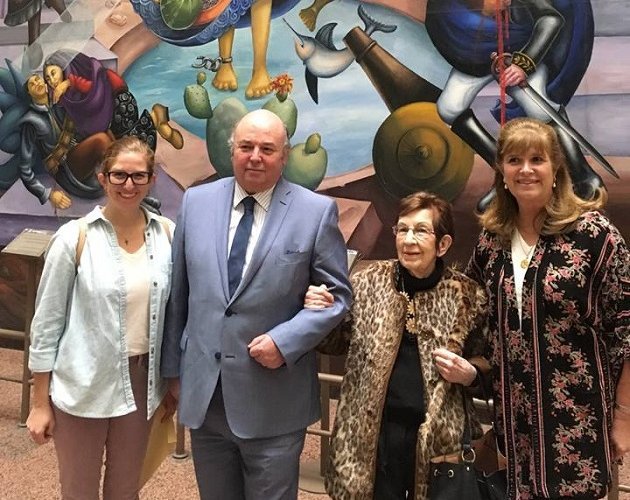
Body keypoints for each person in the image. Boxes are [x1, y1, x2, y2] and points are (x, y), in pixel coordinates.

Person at [161, 109, 352, 500]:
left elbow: (337, 296)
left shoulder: (315, 213)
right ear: (232, 151)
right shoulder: (196, 202)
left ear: (284, 156)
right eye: (246, 146)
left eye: (267, 149)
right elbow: (178, 295)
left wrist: (285, 341)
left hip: (273, 399)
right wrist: (172, 371)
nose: (255, 157)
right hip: (206, 395)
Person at [465, 117, 630, 499]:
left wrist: (623, 416)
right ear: (501, 172)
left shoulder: (595, 236)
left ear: (556, 169)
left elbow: (627, 328)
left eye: (536, 159)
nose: (525, 170)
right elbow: (468, 308)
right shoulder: (492, 240)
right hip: (513, 429)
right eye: (514, 160)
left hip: (579, 425)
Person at [305, 191, 489, 499]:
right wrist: (321, 314)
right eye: (402, 229)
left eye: (421, 230)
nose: (408, 240)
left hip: (437, 440)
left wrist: (471, 374)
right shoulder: (367, 282)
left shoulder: (466, 296)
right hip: (372, 435)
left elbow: (487, 361)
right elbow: (334, 343)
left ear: (443, 244)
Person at [25, 136, 176, 499]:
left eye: (138, 176)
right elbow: (46, 325)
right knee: (79, 489)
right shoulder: (73, 238)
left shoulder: (167, 235)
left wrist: (172, 382)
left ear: (151, 180)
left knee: (125, 489)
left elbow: (176, 316)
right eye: (119, 175)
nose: (129, 184)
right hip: (83, 381)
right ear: (102, 178)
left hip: (142, 382)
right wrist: (40, 403)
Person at [424, 0, 604, 209]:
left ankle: (583, 175)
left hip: (516, 56)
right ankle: (505, 177)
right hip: (476, 59)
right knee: (449, 107)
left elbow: (551, 19)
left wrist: (523, 63)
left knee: (540, 109)